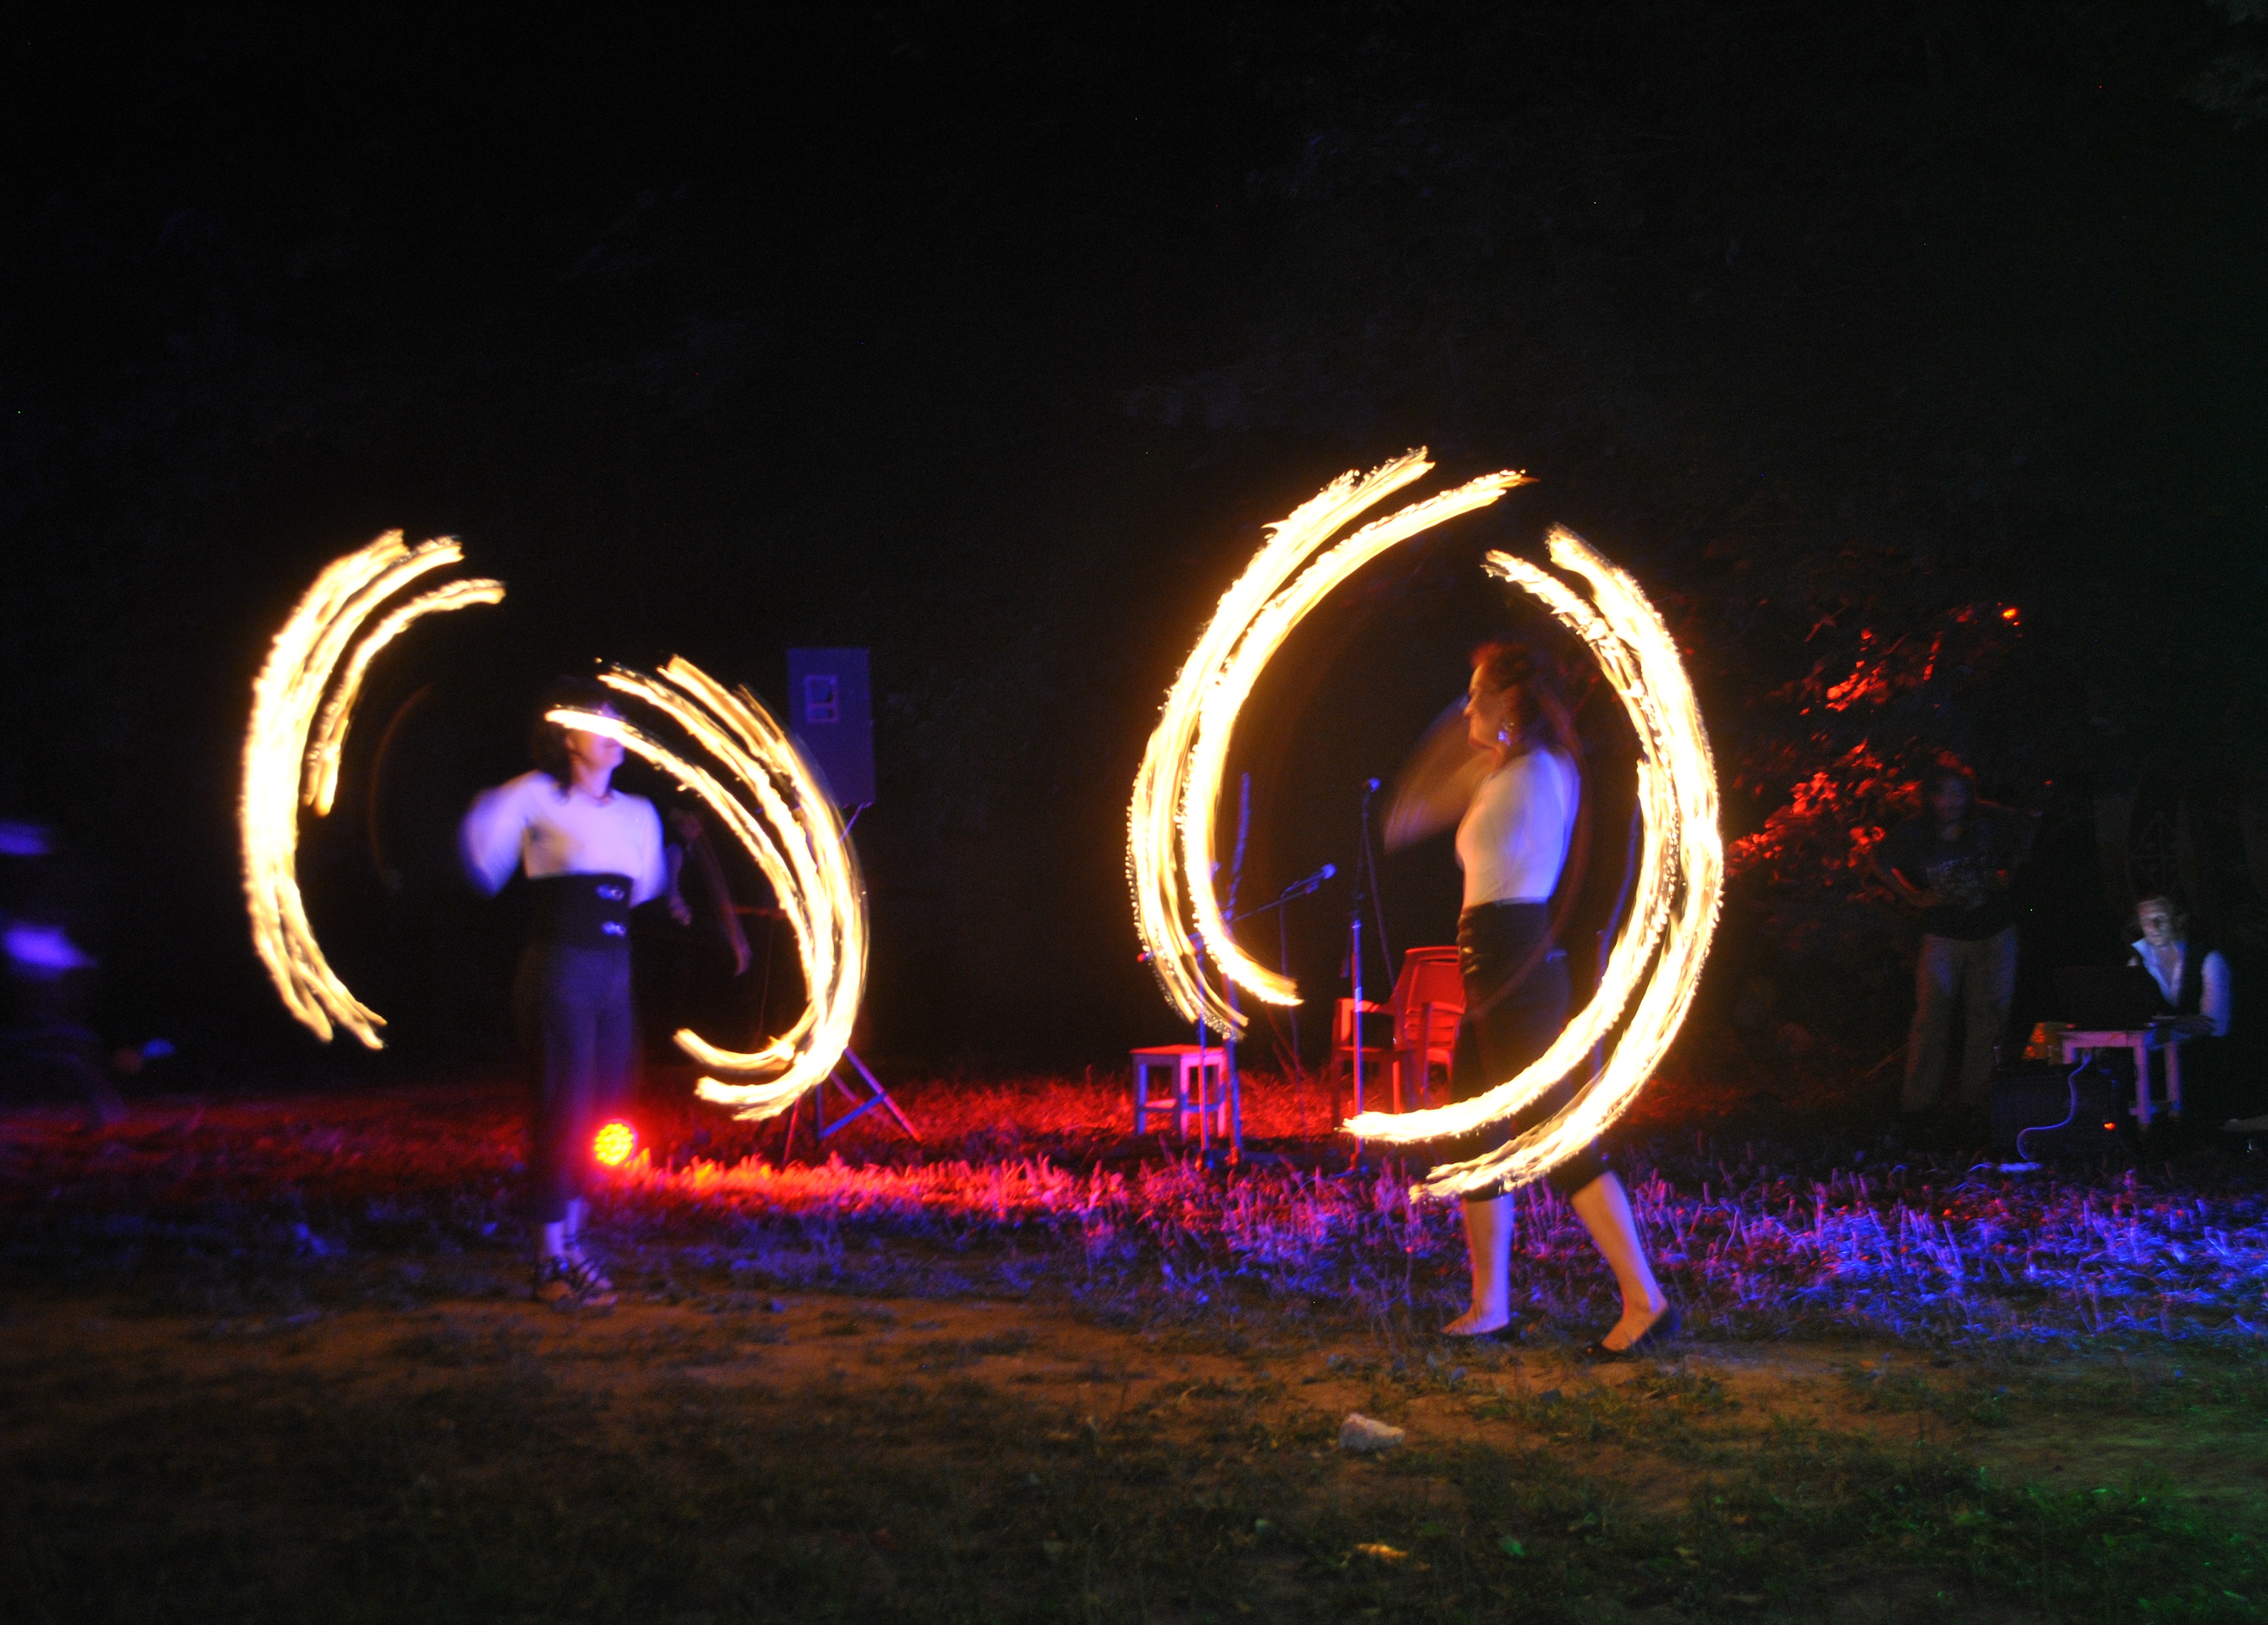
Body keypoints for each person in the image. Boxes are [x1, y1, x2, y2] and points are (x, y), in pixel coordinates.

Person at [1437, 639, 1674, 1356]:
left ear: (1512, 699)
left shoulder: (1542, 771)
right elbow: (1425, 805)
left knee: (1558, 1140)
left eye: (1478, 694)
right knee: (1472, 1140)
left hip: (1515, 965)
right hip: (1486, 967)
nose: (1467, 708)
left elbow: (1527, 866)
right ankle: (1490, 1307)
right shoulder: (1510, 771)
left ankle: (1645, 1300)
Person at [460, 678, 683, 1308]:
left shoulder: (639, 812)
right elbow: (481, 859)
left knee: (604, 1111)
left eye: (619, 724)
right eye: (599, 724)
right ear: (567, 738)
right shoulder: (536, 795)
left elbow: (643, 889)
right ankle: (548, 1259)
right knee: (562, 1108)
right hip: (560, 972)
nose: (615, 736)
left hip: (615, 973)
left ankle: (574, 1246)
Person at [1876, 764, 2034, 1122]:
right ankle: (1919, 1105)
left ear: (1968, 794)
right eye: (1942, 793)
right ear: (1930, 797)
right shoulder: (1916, 831)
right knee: (1931, 1017)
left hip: (1994, 931)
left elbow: (2029, 831)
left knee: (1988, 1017)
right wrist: (1914, 896)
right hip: (1944, 935)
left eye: (1958, 793)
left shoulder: (1989, 820)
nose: (1950, 802)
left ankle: (1975, 1102)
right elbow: (1881, 860)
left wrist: (2009, 873)